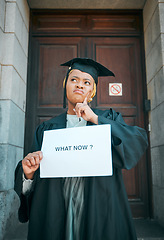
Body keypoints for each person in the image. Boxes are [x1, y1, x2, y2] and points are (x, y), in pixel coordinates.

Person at [14, 58, 148, 240]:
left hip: (98, 207)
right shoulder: (47, 128)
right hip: (57, 207)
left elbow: (136, 141)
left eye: (87, 82)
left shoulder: (108, 118)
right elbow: (33, 174)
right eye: (74, 79)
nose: (80, 85)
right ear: (65, 84)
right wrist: (28, 174)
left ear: (92, 91)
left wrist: (96, 119)